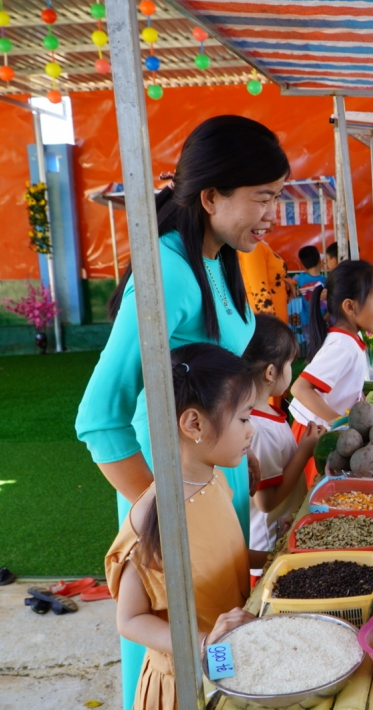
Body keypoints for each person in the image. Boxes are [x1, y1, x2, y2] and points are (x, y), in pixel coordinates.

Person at [75, 115, 288, 709]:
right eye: (262, 198)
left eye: (277, 196)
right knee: (176, 666)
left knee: (224, 643)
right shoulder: (169, 269)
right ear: (212, 195)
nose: (272, 213)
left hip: (214, 486)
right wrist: (163, 515)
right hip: (177, 497)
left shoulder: (218, 256)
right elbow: (99, 417)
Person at [106, 343, 257, 710]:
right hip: (184, 687)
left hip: (230, 664)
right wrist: (204, 641)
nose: (251, 431)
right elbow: (130, 619)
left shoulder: (214, 479)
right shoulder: (155, 517)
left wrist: (277, 556)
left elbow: (221, 553)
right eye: (243, 418)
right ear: (194, 424)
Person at [289, 260, 373, 486]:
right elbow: (300, 388)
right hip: (314, 435)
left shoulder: (352, 338)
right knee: (315, 497)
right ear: (350, 307)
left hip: (321, 431)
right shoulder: (343, 345)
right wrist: (339, 422)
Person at [242, 315, 324, 572]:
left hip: (282, 531)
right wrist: (304, 451)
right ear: (270, 372)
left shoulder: (265, 415)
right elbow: (266, 502)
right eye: (289, 363)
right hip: (267, 551)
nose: (292, 369)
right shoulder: (259, 430)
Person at [239, 239, 291, 322]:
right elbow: (260, 295)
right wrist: (270, 329)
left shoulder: (259, 246)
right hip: (269, 324)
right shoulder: (254, 248)